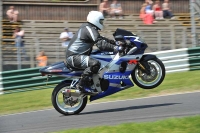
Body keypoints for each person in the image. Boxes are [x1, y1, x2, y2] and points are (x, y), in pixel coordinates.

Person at [65, 11, 123, 94]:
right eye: (101, 21)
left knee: (98, 58)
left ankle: (93, 83)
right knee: (95, 63)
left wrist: (115, 43)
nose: (102, 23)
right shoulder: (89, 29)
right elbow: (101, 44)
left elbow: (101, 39)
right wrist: (116, 48)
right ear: (95, 20)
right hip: (74, 57)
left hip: (77, 55)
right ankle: (81, 85)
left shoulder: (89, 28)